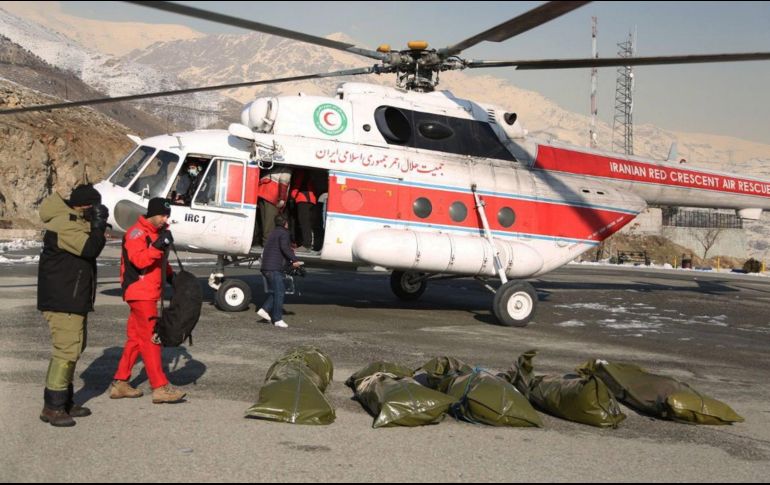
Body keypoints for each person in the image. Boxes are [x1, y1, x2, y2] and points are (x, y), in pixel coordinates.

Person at [37, 183, 109, 427]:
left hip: (71, 295)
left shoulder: (73, 220)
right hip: (63, 297)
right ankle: (53, 407)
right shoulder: (64, 223)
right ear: (85, 206)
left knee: (74, 347)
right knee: (66, 350)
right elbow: (90, 248)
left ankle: (64, 401)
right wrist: (97, 225)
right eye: (94, 207)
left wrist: (95, 224)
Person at [110, 197, 186, 404]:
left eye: (167, 216)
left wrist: (173, 278)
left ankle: (120, 382)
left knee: (136, 339)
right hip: (140, 292)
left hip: (148, 291)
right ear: (152, 213)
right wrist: (158, 246)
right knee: (152, 338)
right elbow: (139, 260)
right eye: (162, 215)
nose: (165, 219)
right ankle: (160, 387)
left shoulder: (155, 233)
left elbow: (159, 262)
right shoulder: (137, 233)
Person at [257, 214, 302, 328]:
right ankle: (277, 319)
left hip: (266, 267)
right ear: (285, 223)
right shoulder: (284, 233)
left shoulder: (273, 232)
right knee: (280, 292)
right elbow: (285, 248)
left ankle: (264, 309)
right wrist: (295, 260)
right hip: (273, 268)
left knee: (278, 290)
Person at [256, 165, 291, 246]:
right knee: (270, 222)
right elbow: (284, 180)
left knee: (264, 220)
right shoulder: (287, 167)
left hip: (262, 192)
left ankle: (263, 241)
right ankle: (268, 244)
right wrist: (282, 199)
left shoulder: (273, 167)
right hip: (271, 194)